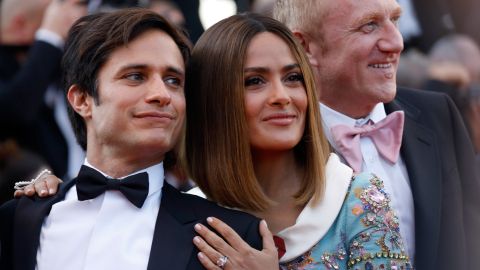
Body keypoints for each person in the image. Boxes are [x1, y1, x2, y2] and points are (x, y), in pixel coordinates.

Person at [12, 12, 411, 270]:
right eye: (254, 81)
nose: (281, 96)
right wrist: (45, 197)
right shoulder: (24, 217)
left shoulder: (356, 198)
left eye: (293, 78)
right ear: (215, 99)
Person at [0, 8, 266, 270]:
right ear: (82, 100)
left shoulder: (231, 240)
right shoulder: (18, 221)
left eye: (173, 80)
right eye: (136, 76)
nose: (162, 94)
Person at [273, 0, 480, 269]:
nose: (396, 43)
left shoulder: (439, 115)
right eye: (369, 26)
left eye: (394, 20)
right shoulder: (275, 148)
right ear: (306, 47)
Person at [0, 0, 87, 188]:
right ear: (19, 24)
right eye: (55, 19)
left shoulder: (61, 64)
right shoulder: (38, 59)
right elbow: (15, 109)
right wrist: (49, 37)